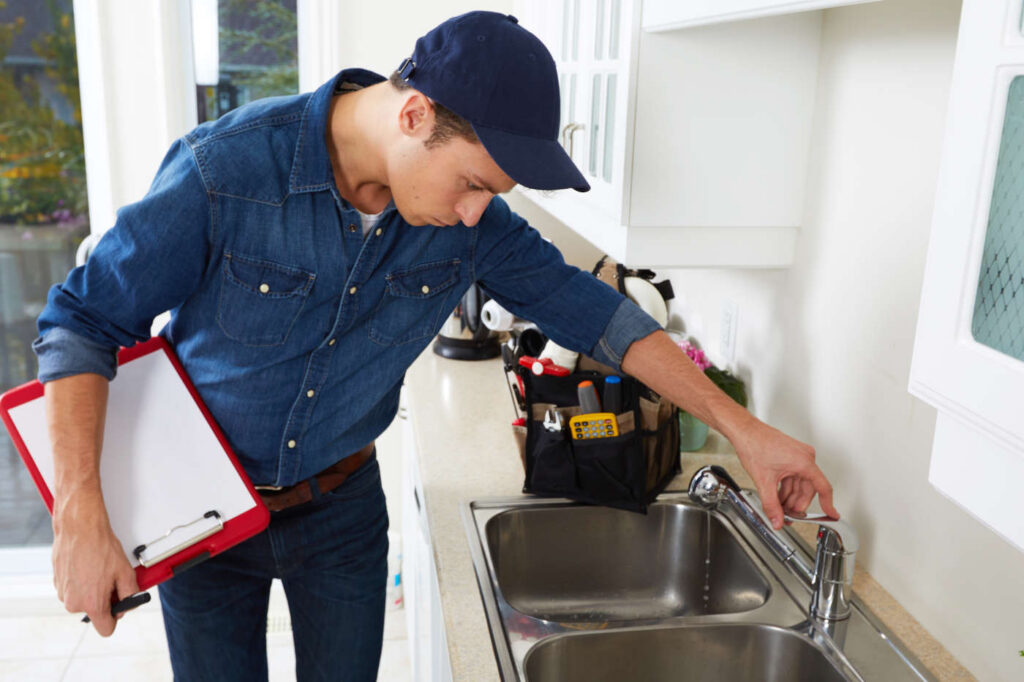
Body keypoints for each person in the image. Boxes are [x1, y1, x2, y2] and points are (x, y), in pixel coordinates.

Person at [34, 11, 838, 682]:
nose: (472, 214)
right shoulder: (226, 170)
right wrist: (82, 512)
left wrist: (748, 432)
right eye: (472, 183)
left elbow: (600, 317)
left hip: (340, 518)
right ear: (414, 114)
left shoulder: (472, 228)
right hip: (206, 514)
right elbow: (84, 319)